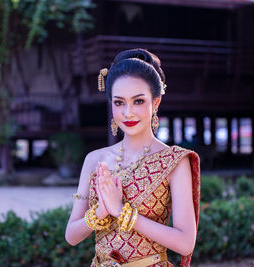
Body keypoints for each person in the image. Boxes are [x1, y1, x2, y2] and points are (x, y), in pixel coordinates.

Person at [65, 48, 200, 267]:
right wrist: (101, 211)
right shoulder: (94, 160)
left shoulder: (174, 161)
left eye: (138, 101)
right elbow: (71, 236)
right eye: (119, 102)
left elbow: (186, 243)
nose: (128, 112)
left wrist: (121, 212)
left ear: (156, 102)